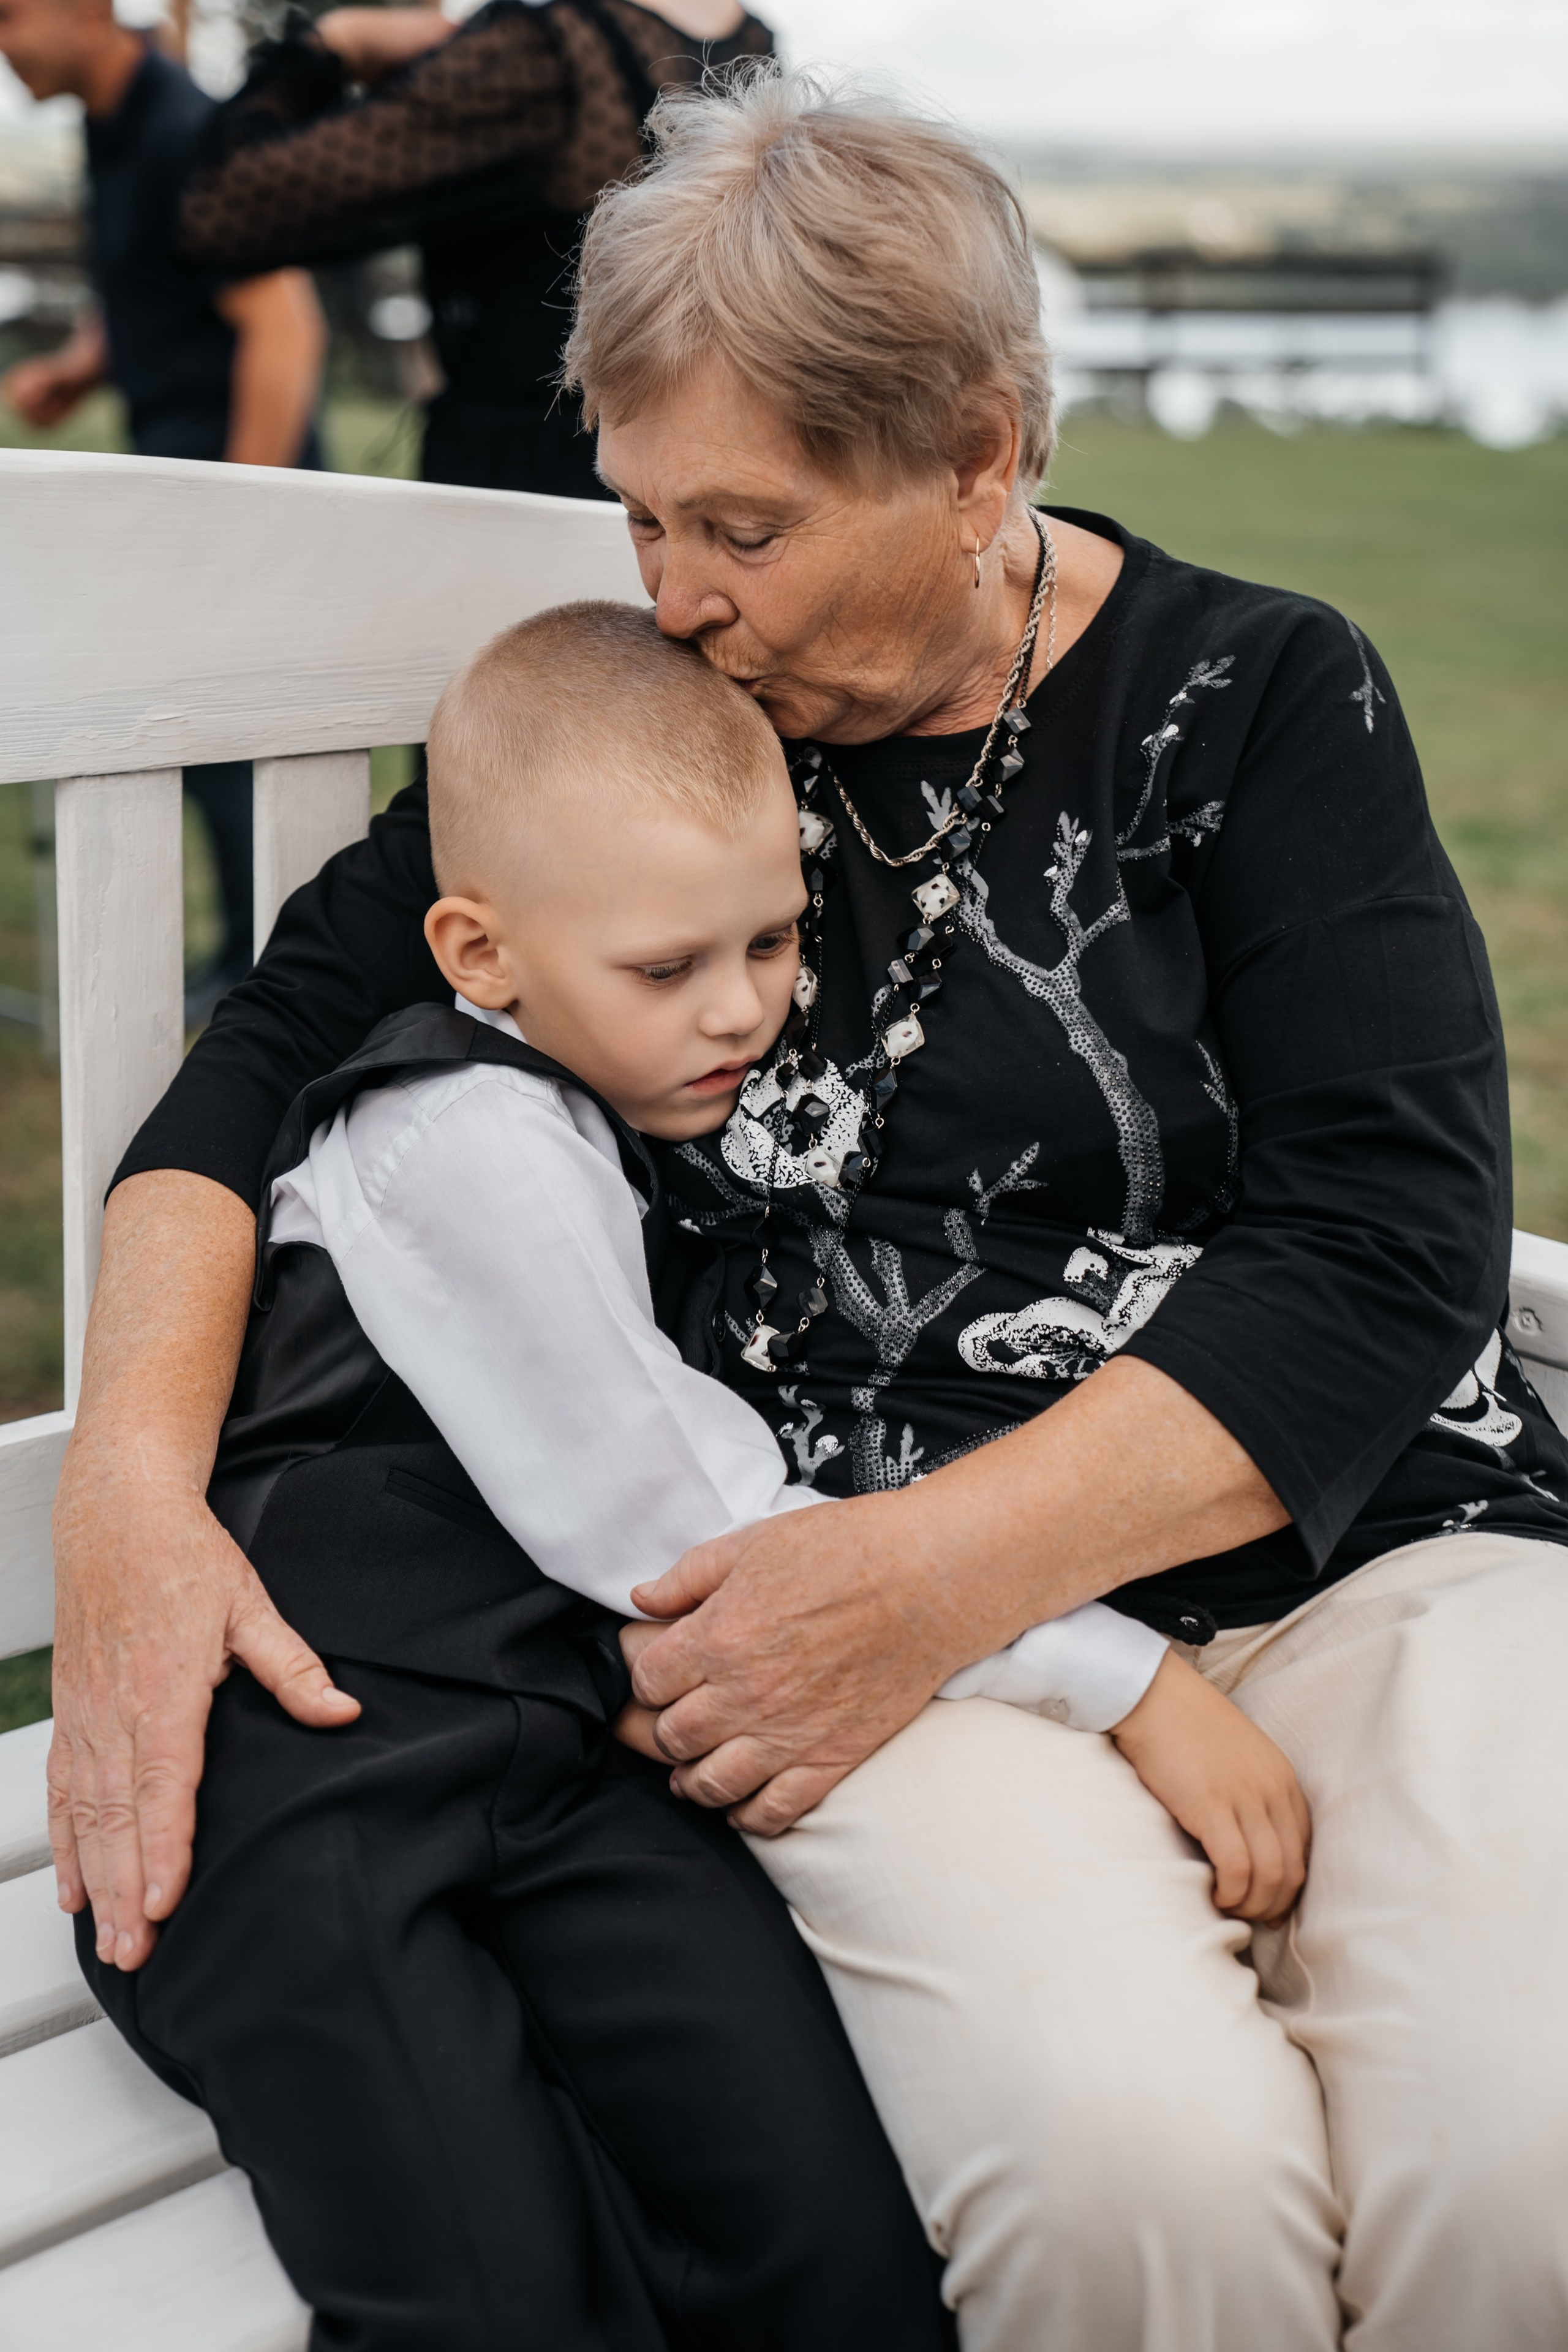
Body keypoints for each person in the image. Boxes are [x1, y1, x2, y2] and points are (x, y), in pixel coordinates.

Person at [49, 66, 1568, 2352]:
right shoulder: (650, 749)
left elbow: (1388, 1246)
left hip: (1357, 1560)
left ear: (975, 455)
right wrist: (129, 1501)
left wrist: (944, 1569)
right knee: (1132, 2194)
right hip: (860, 1640)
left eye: (738, 527)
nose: (669, 594)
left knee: (1523, 2163)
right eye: (640, 514)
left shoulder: (1256, 697)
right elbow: (246, 1078)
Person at [81, 600, 967, 2352]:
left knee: (832, 2235)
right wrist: (1121, 1683)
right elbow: (690, 1530)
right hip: (294, 1784)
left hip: (559, 1764)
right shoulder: (463, 1136)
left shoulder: (602, 1103)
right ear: (477, 954)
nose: (739, 1009)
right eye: (666, 968)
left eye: (773, 942)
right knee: (487, 2290)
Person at [0, 0, 328, 1019]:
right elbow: (147, 282)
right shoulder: (112, 127)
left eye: (8, 16)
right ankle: (240, 957)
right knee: (202, 743)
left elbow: (285, 329)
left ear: (84, 10)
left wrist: (236, 511)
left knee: (239, 744)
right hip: (183, 473)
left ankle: (271, 975)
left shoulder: (189, 132)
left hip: (234, 478)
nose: (0, 43)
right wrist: (79, 368)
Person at [172, 0, 772, 498]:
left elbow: (221, 208)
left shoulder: (540, 55)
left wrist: (336, 44)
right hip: (690, 484)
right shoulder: (751, 48)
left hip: (521, 497)